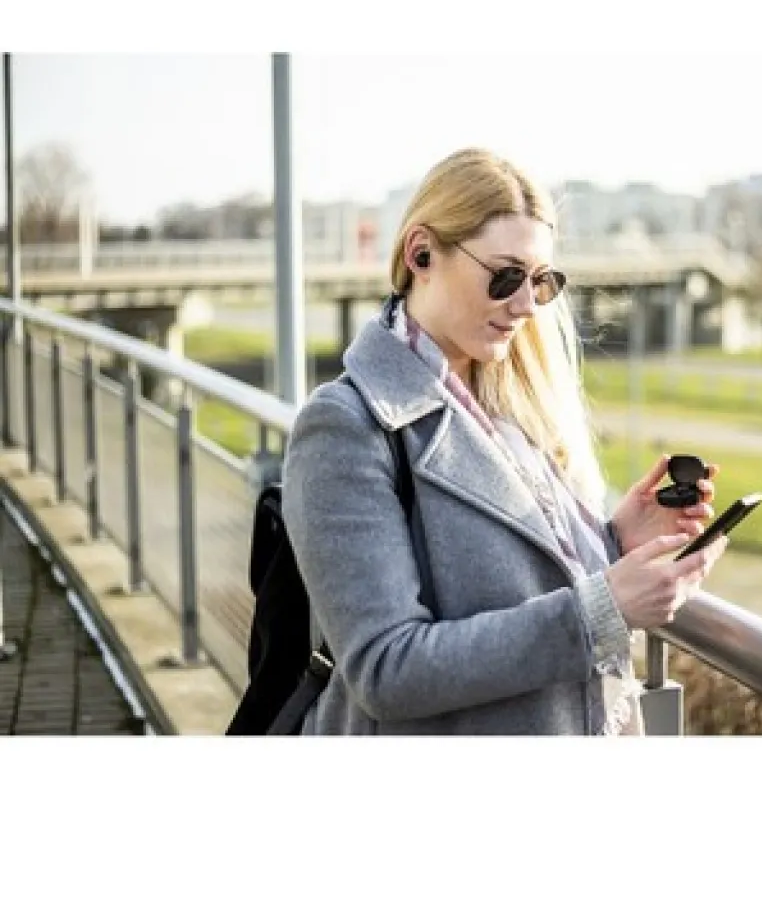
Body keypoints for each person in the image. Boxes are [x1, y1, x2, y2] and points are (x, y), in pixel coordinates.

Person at [281, 148, 729, 736]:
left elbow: (519, 580)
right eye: (506, 275)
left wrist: (614, 541)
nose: (525, 306)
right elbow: (386, 669)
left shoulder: (508, 400)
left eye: (540, 281)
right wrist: (603, 613)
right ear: (420, 254)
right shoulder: (345, 427)